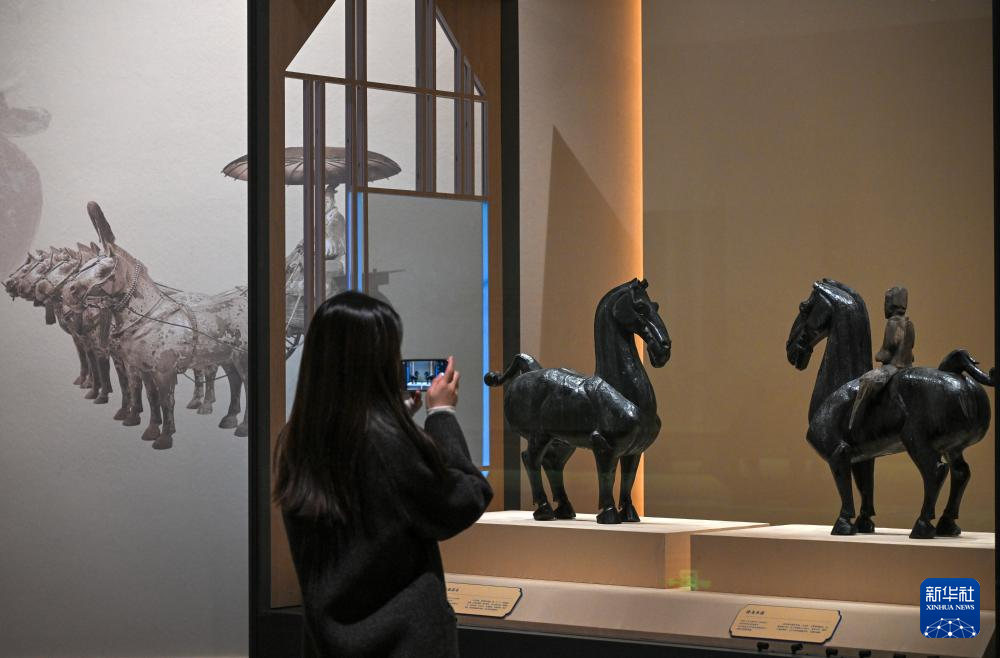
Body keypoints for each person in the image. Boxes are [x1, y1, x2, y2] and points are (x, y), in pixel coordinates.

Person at [273, 291, 493, 657]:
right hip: (402, 643)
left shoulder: (296, 438)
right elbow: (464, 499)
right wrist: (442, 415)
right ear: (375, 360)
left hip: (329, 643)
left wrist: (397, 418)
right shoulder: (384, 442)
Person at [849, 286, 915, 429]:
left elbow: (888, 350)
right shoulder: (909, 324)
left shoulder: (893, 323)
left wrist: (878, 356)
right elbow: (910, 348)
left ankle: (857, 421)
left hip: (893, 367)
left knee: (866, 382)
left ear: (890, 304)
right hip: (908, 366)